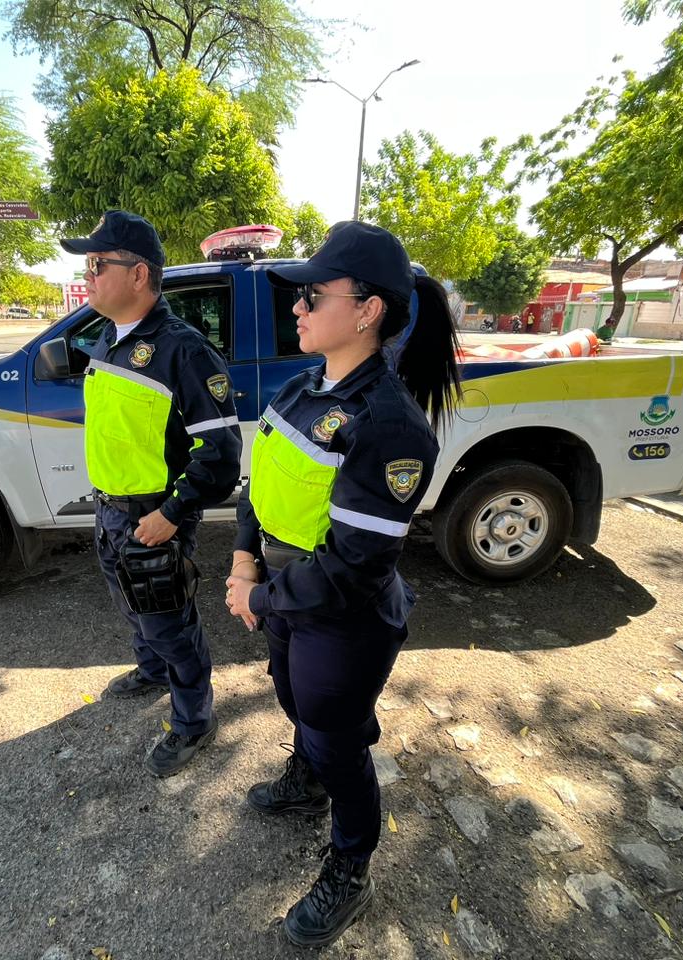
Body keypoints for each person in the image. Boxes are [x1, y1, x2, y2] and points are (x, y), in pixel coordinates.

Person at [225, 221, 460, 946]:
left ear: (367, 310)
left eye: (311, 296)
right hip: (289, 601)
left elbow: (354, 569)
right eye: (298, 297)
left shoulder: (390, 426)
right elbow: (255, 485)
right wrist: (243, 561)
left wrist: (258, 597)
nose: (295, 308)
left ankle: (349, 866)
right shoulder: (302, 388)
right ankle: (308, 776)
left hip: (341, 619)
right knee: (296, 703)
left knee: (338, 738)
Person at [61, 210, 242, 777]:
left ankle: (194, 719)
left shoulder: (182, 351)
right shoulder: (110, 342)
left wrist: (172, 513)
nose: (87, 275)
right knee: (132, 608)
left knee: (170, 621)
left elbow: (220, 455)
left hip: (153, 517)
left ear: (138, 275)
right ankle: (153, 669)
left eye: (97, 264)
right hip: (111, 510)